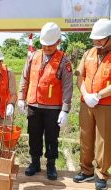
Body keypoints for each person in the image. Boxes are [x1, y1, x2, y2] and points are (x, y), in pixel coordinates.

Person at [18, 22, 73, 180]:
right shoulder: (33, 56)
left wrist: (65, 109)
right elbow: (25, 78)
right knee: (33, 135)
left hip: (52, 108)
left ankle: (51, 165)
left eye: (50, 45)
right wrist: (21, 98)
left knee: (51, 137)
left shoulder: (64, 61)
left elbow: (68, 86)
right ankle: (35, 162)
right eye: (44, 44)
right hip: (34, 105)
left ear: (58, 42)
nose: (47, 48)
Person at [73, 18, 111, 190]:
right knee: (85, 137)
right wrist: (86, 94)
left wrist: (98, 95)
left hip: (106, 104)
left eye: (100, 39)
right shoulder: (88, 53)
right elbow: (79, 76)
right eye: (94, 39)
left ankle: (102, 174)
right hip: (86, 102)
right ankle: (86, 170)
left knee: (104, 141)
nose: (96, 42)